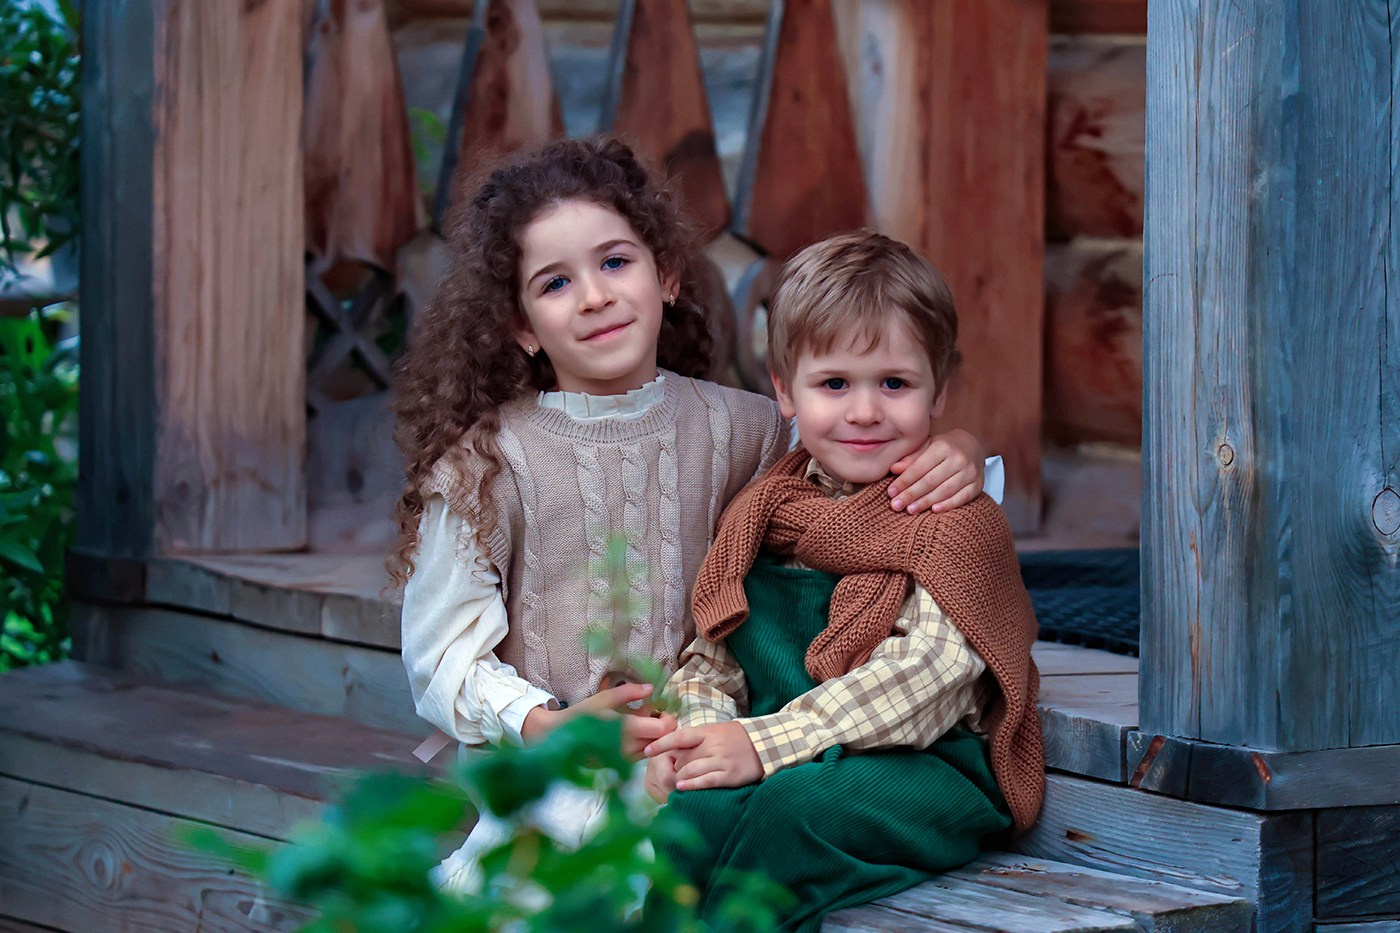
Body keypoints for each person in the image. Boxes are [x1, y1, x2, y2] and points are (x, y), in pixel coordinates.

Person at [389, 137, 995, 893]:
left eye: (616, 262)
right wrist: (545, 724)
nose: (595, 296)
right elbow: (440, 657)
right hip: (553, 760)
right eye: (554, 282)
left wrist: (963, 445)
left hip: (697, 746)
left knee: (678, 857)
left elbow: (858, 450)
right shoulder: (489, 462)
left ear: (667, 274)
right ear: (519, 324)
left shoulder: (744, 426)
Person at [644, 231, 1044, 932]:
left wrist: (764, 744)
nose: (864, 411)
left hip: (922, 766)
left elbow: (932, 670)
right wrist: (702, 738)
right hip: (792, 748)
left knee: (793, 812)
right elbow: (713, 653)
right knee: (694, 809)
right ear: (784, 390)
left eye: (894, 383)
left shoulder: (954, 520)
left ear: (939, 390)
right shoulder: (765, 510)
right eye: (834, 384)